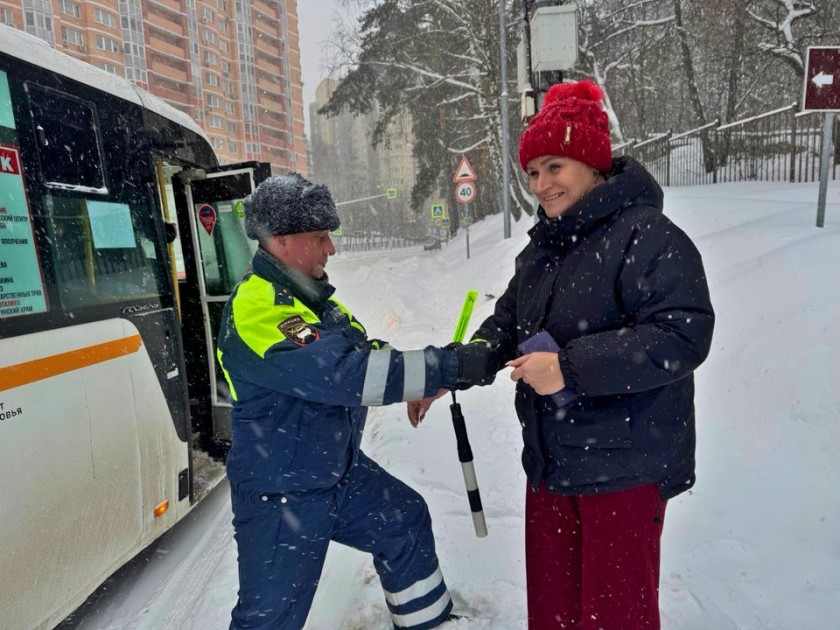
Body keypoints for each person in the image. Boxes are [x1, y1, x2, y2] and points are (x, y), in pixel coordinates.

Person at [409, 80, 714, 629]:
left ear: (592, 165)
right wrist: (449, 371)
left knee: (616, 618)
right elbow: (507, 326)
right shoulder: (544, 247)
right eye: (532, 171)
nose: (541, 184)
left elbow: (682, 334)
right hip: (552, 464)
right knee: (553, 614)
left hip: (624, 468)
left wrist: (570, 368)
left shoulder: (647, 235)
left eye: (555, 167)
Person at [216, 172, 492, 630]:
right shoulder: (257, 307)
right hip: (282, 494)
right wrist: (449, 367)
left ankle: (430, 623)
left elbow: (365, 353)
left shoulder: (316, 300)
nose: (331, 248)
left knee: (403, 521)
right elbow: (348, 374)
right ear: (281, 241)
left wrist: (419, 379)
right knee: (270, 620)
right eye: (319, 237)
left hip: (336, 473)